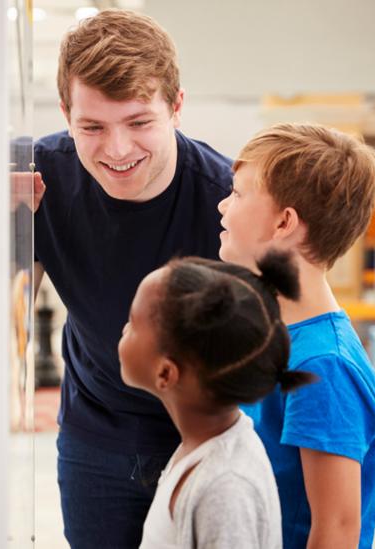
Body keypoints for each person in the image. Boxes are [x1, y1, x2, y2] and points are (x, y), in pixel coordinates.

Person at [32, 9, 232, 547]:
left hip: (204, 435)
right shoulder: (36, 178)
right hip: (94, 435)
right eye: (92, 127)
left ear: (177, 106)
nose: (117, 150)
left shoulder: (229, 202)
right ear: (65, 113)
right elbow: (1, 302)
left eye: (140, 123)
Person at [217, 122, 375, 548]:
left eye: (237, 193)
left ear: (283, 222)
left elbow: (336, 530)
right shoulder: (278, 336)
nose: (223, 205)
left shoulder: (322, 367)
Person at [118, 252, 315, 549]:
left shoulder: (226, 487)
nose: (124, 329)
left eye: (133, 322)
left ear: (165, 372)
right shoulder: (201, 449)